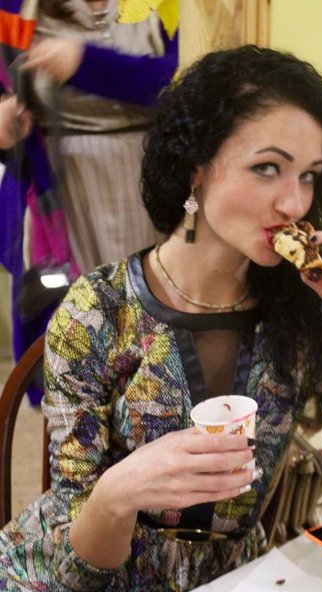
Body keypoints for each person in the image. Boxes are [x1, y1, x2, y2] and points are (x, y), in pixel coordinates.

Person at [0, 45, 322, 592]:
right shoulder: (99, 311)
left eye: (308, 176)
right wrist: (119, 492)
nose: (294, 203)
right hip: (79, 591)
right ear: (197, 166)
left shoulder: (305, 312)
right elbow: (79, 566)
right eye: (267, 168)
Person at [0, 0, 178, 391]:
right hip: (59, 200)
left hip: (152, 190)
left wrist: (84, 62)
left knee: (156, 345)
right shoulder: (14, 8)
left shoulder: (170, 5)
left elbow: (182, 82)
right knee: (73, 351)